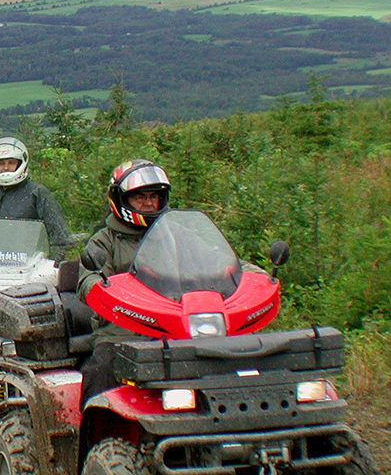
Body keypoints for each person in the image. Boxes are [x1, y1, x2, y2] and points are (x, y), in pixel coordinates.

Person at [75, 159, 266, 406]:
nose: (148, 202)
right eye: (139, 197)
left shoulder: (180, 235)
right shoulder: (104, 241)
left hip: (182, 323)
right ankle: (95, 431)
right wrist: (99, 288)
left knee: (242, 358)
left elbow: (221, 261)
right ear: (121, 200)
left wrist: (255, 277)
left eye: (154, 196)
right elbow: (87, 279)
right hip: (124, 330)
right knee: (102, 368)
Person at [0, 137, 74, 260]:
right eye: (1, 163)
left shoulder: (38, 193)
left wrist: (51, 265)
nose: (6, 168)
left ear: (21, 163)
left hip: (28, 268)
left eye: (11, 162)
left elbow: (59, 239)